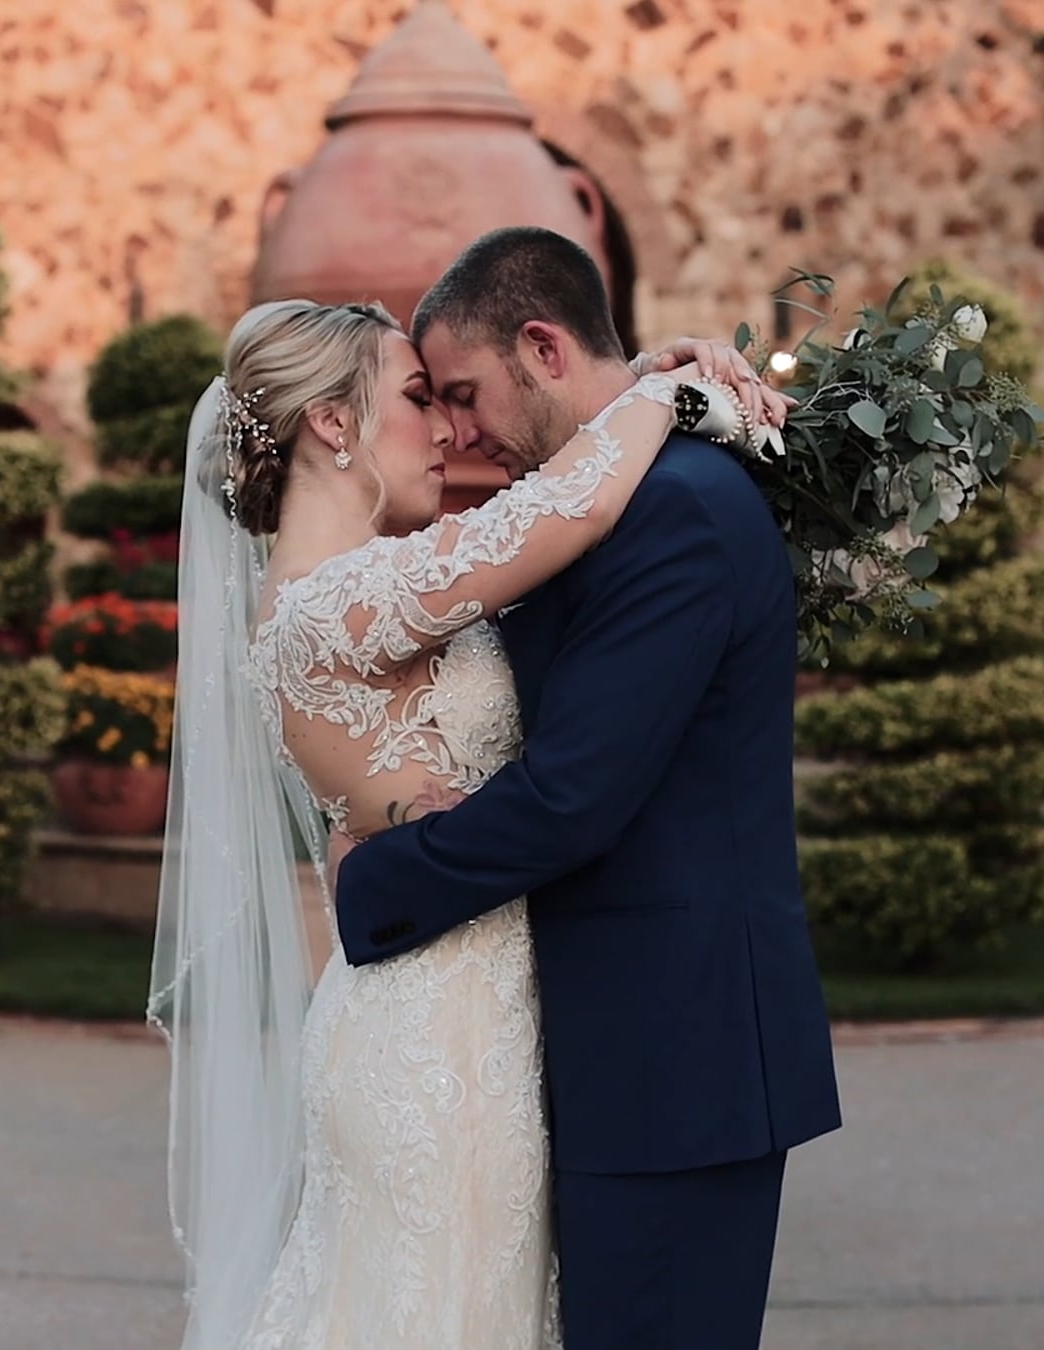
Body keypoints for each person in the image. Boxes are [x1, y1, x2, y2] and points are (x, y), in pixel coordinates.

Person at [152, 268, 793, 1349]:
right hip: (432, 1044)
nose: (449, 432)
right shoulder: (333, 605)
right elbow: (572, 505)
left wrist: (623, 385)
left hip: (473, 1013)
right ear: (332, 424)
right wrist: (662, 389)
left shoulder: (381, 582)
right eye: (419, 397)